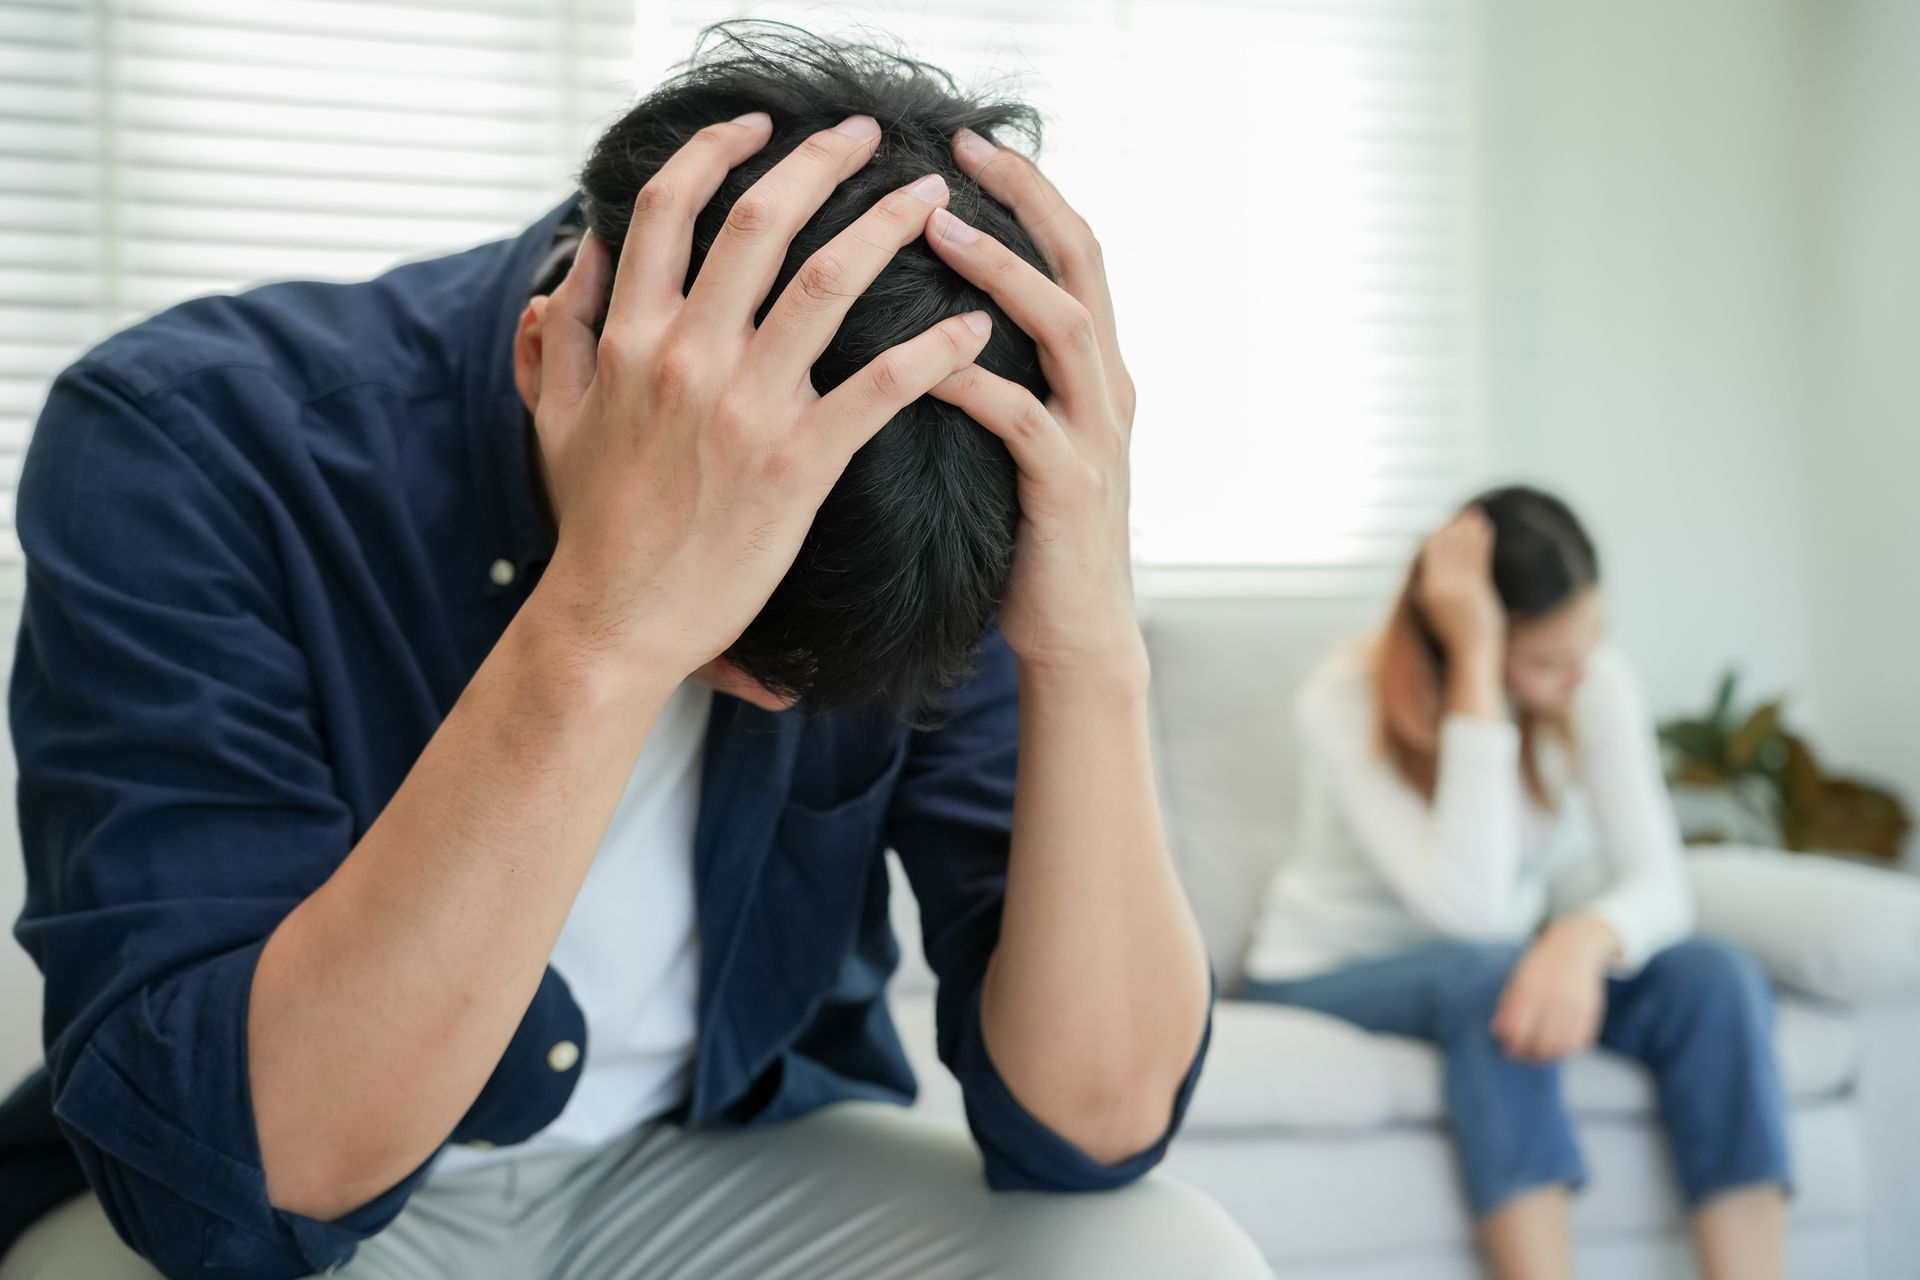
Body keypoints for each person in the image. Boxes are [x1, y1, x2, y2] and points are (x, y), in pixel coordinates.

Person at [0, 23, 1266, 1280]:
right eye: (730, 654)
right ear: (551, 354)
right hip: (314, 1183)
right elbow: (236, 1182)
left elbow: (1095, 1122)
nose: (772, 700)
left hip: (717, 1158)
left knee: (1168, 1253)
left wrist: (1088, 645)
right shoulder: (188, 436)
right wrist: (609, 621)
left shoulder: (927, 449)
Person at [1239, 487, 1791, 1280]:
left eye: (1592, 638)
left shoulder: (1592, 678)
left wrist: (1581, 939)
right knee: (1494, 975)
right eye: (1544, 660)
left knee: (1714, 977)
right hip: (1326, 975)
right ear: (1471, 635)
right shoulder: (1344, 698)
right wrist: (1476, 669)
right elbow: (1475, 912)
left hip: (1494, 960)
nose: (1579, 674)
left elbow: (1660, 884)